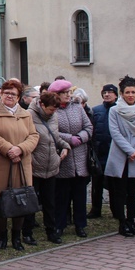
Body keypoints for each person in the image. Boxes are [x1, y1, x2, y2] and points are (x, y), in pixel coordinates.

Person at [0, 79, 39, 251]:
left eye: (13, 94)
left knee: (20, 201)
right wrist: (9, 149)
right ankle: (2, 237)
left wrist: (20, 149)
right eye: (6, 92)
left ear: (19, 96)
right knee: (0, 201)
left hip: (21, 163)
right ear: (1, 93)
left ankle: (16, 237)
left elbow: (34, 135)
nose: (9, 96)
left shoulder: (26, 114)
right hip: (0, 163)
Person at [23, 91, 70, 245]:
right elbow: (26, 138)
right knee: (32, 202)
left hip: (51, 165)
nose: (53, 112)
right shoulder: (28, 115)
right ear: (42, 105)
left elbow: (54, 137)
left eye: (56, 109)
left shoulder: (54, 116)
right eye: (51, 109)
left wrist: (65, 146)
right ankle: (27, 232)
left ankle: (51, 231)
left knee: (50, 202)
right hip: (35, 165)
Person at [105, 76, 135, 237]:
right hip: (120, 153)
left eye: (133, 92)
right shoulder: (114, 110)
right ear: (122, 94)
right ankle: (122, 221)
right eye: (127, 92)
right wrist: (129, 150)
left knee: (133, 191)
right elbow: (115, 132)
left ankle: (131, 219)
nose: (130, 95)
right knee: (119, 191)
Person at [51, 79, 93, 239]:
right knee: (61, 196)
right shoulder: (53, 110)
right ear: (57, 95)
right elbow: (52, 131)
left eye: (69, 92)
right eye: (65, 93)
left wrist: (80, 138)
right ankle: (59, 225)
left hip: (80, 158)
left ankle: (80, 225)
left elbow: (89, 127)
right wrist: (69, 138)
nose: (69, 95)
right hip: (63, 158)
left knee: (80, 195)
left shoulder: (77, 108)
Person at [88, 84, 117, 219]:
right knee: (97, 183)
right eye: (104, 92)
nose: (107, 95)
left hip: (114, 151)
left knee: (113, 183)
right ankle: (95, 209)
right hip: (99, 151)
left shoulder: (118, 110)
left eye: (110, 92)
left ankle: (115, 209)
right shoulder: (96, 110)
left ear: (116, 95)